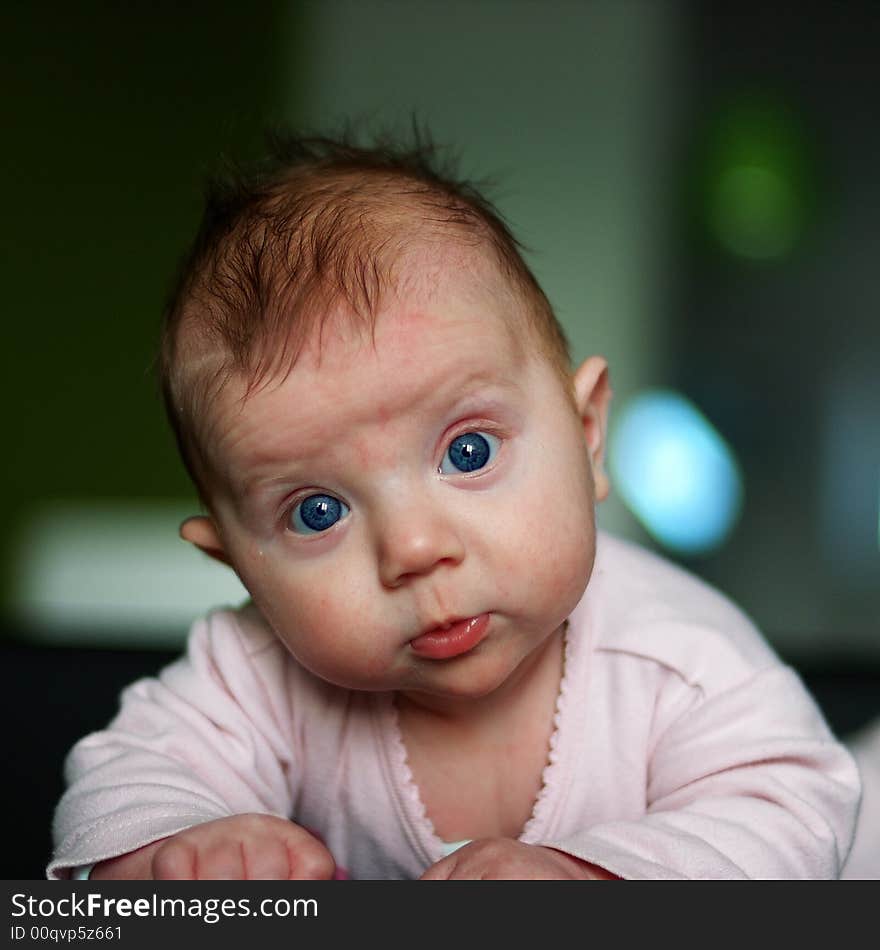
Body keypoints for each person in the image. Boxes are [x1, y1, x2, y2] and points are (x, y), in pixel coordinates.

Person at [47, 131, 859, 880]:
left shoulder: (680, 660)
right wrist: (172, 851)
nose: (413, 548)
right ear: (238, 564)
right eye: (317, 512)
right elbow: (124, 781)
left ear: (585, 436)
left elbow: (795, 819)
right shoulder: (256, 675)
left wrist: (594, 878)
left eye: (467, 453)